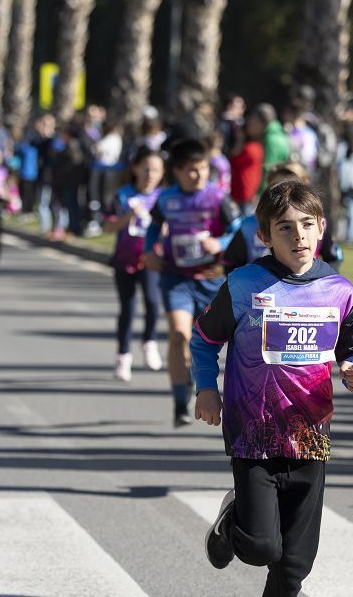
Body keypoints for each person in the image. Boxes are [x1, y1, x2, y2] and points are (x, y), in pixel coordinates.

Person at [190, 179, 353, 594]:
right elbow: (203, 339)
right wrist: (206, 386)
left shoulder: (340, 292)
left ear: (322, 228)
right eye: (285, 228)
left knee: (294, 566)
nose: (299, 236)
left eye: (307, 225)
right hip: (252, 433)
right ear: (264, 236)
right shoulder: (243, 284)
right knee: (260, 548)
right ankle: (234, 518)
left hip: (310, 436)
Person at [144, 138, 242, 427]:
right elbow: (152, 227)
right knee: (179, 335)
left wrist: (219, 242)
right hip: (177, 278)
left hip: (212, 280)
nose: (198, 175)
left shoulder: (217, 197)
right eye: (191, 170)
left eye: (202, 169)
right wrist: (149, 250)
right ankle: (179, 401)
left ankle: (202, 382)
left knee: (216, 342)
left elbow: (237, 228)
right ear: (176, 171)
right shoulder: (165, 198)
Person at [104, 146, 166, 381]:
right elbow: (108, 226)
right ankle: (123, 356)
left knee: (152, 302)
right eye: (147, 169)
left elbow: (169, 229)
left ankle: (149, 342)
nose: (151, 174)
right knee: (127, 309)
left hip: (151, 259)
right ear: (136, 169)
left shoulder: (164, 198)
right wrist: (128, 216)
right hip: (124, 259)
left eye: (156, 170)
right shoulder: (122, 195)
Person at [223, 162, 310, 274]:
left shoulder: (314, 223)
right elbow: (230, 264)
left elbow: (332, 258)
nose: (285, 196)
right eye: (278, 189)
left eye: (293, 188)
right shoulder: (249, 226)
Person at [229, 111, 265, 215]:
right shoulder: (257, 146)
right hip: (248, 189)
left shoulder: (248, 148)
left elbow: (234, 160)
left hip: (244, 189)